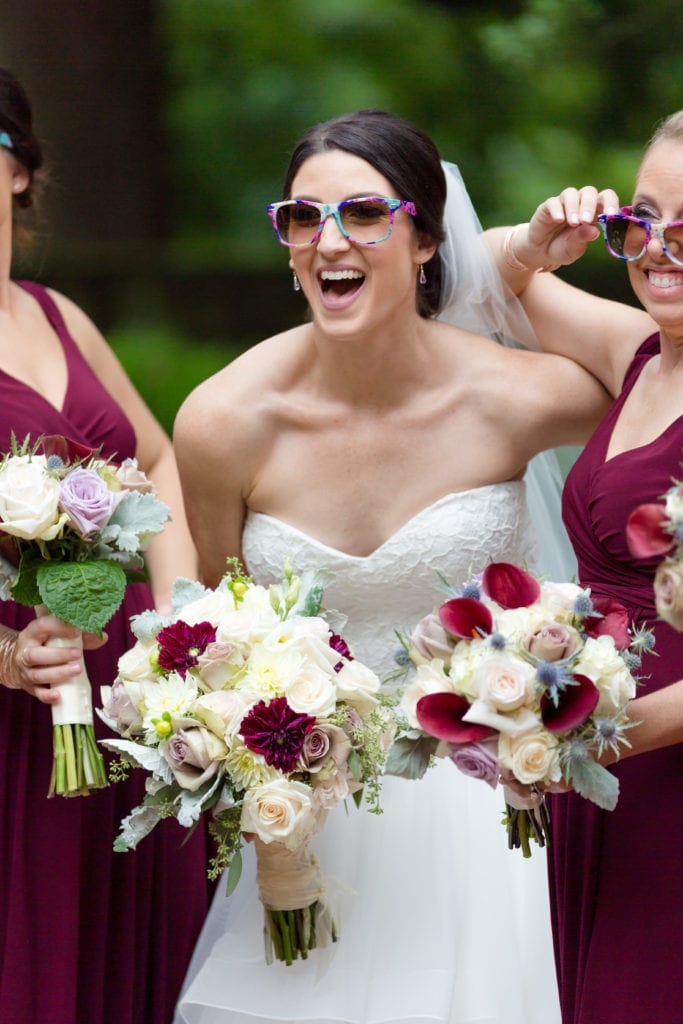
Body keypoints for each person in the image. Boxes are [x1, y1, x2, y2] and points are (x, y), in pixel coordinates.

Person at [171, 109, 612, 1024]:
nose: (328, 241)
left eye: (364, 214)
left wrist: (517, 257)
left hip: (501, 821)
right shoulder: (224, 421)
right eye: (302, 218)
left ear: (425, 240)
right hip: (315, 825)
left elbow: (655, 415)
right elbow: (221, 639)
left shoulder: (521, 397)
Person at [0, 68, 210, 1024]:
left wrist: (175, 624)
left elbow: (155, 454)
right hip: (16, 707)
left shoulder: (53, 313)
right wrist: (10, 657)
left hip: (120, 696)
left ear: (17, 170)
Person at [484, 110, 683, 1024]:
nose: (656, 249)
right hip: (596, 765)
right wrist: (539, 239)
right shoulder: (637, 351)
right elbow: (477, 270)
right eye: (639, 220)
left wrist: (587, 740)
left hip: (648, 752)